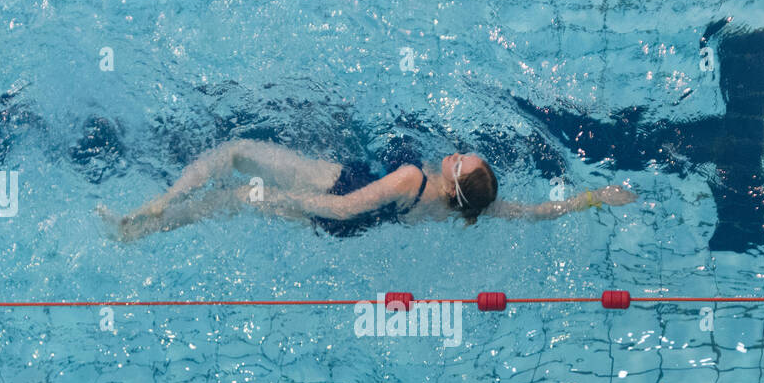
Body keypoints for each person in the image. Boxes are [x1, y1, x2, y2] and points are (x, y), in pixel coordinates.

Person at [97, 139, 635, 240]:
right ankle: (146, 225)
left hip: (338, 197)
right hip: (348, 212)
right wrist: (591, 199)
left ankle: (153, 212)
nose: (454, 152)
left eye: (459, 158)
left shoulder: (410, 178)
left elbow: (345, 206)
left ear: (452, 179)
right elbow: (534, 213)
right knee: (237, 181)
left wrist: (280, 201)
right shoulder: (464, 209)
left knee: (238, 167)